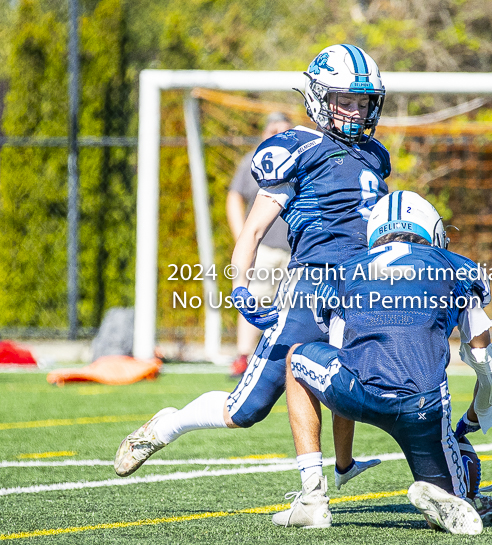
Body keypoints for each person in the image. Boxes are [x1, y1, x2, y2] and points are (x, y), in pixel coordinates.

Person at [115, 45, 390, 486]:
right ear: (319, 98)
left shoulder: (376, 156)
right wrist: (241, 286)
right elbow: (252, 233)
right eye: (346, 101)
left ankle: (343, 465)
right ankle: (167, 425)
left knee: (349, 378)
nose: (356, 112)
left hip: (358, 289)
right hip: (309, 291)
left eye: (363, 102)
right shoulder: (298, 149)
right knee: (246, 410)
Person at [271, 191, 492, 533]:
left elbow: (339, 364)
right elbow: (487, 368)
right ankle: (451, 494)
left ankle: (312, 499)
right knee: (459, 482)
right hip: (423, 406)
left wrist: (344, 463)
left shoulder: (344, 272)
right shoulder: (456, 267)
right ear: (432, 232)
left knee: (295, 358)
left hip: (356, 390)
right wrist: (473, 419)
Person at [226, 112, 293, 378]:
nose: (278, 135)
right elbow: (234, 197)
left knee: (293, 308)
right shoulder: (254, 160)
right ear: (264, 133)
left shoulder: (299, 160)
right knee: (251, 299)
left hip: (295, 250)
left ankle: (286, 358)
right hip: (262, 248)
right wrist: (242, 238)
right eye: (273, 130)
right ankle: (244, 356)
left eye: (284, 130)